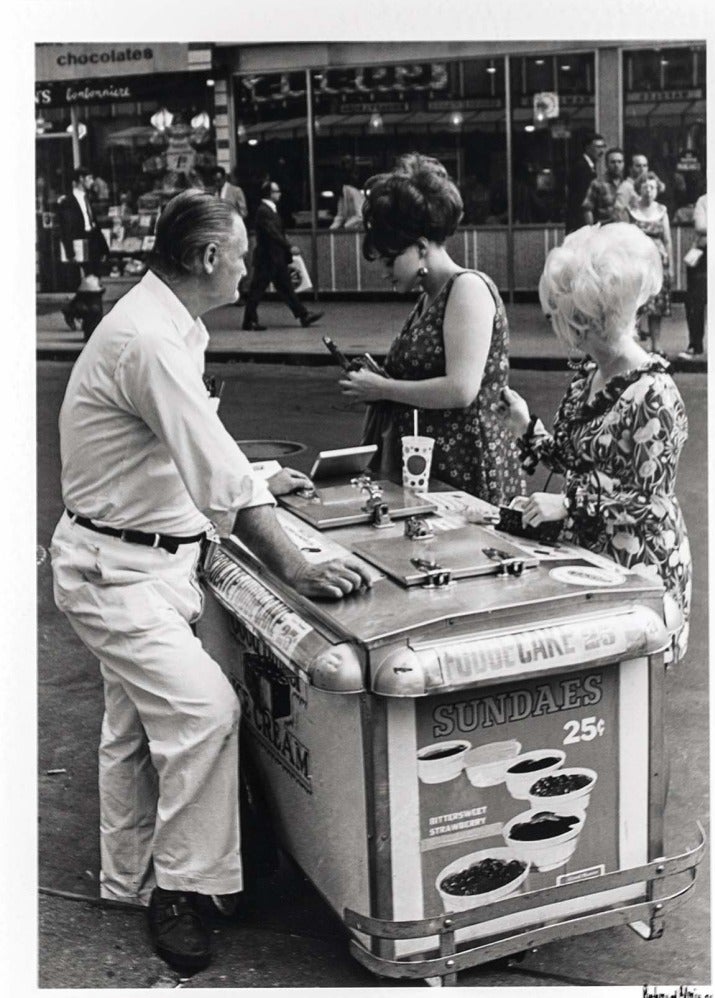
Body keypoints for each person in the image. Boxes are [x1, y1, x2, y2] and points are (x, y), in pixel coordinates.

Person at [49, 189, 371, 975]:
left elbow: (184, 451)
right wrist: (296, 562)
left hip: (147, 559)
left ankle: (129, 880)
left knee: (132, 728)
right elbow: (212, 469)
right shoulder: (151, 339)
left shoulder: (171, 324)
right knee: (204, 711)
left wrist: (260, 476)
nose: (250, 265)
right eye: (242, 253)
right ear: (206, 259)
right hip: (114, 572)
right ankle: (182, 893)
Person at [498, 223, 691, 663]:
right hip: (589, 557)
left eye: (563, 318)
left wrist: (568, 506)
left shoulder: (654, 392)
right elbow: (574, 459)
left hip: (637, 566)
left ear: (589, 321)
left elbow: (650, 502)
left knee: (629, 698)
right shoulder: (590, 374)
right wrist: (527, 426)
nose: (559, 328)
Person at [339, 153, 524, 507]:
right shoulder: (430, 297)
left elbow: (461, 389)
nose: (384, 271)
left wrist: (382, 388)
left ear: (421, 247)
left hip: (466, 467)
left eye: (391, 260)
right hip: (435, 463)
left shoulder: (467, 288)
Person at [242, 180, 323, 330]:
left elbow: (275, 232)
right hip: (268, 258)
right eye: (276, 191)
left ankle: (303, 315)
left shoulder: (268, 210)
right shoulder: (264, 211)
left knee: (285, 288)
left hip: (273, 258)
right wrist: (288, 246)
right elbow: (273, 232)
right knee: (258, 290)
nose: (279, 194)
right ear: (270, 194)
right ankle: (249, 320)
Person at [58, 166, 110, 332]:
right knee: (90, 279)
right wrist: (70, 252)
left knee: (93, 278)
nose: (92, 181)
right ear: (80, 179)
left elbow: (93, 223)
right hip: (80, 243)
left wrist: (103, 247)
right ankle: (87, 315)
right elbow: (65, 228)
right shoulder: (67, 201)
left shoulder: (88, 198)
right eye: (88, 178)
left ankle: (72, 309)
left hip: (92, 240)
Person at [627, 172, 672, 351]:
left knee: (657, 305)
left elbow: (667, 239)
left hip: (658, 263)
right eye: (645, 187)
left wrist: (670, 266)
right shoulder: (633, 211)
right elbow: (626, 238)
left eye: (652, 187)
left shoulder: (662, 210)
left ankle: (656, 345)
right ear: (639, 189)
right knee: (635, 305)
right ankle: (633, 346)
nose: (649, 191)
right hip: (638, 261)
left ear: (657, 189)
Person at [681, 191, 707, 359]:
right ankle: (695, 344)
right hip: (703, 254)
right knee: (695, 300)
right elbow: (700, 226)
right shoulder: (703, 200)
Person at [565, 133, 605, 234]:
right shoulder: (581, 167)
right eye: (598, 147)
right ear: (587, 148)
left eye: (603, 147)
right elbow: (581, 198)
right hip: (580, 222)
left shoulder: (589, 166)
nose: (602, 151)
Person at [614, 152, 666, 222]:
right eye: (638, 166)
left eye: (645, 166)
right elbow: (619, 213)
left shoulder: (649, 185)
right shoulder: (626, 187)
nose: (642, 169)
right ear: (630, 168)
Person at [582, 147, 625, 225]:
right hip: (604, 229)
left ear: (623, 164)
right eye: (613, 162)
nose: (616, 165)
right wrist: (591, 230)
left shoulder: (627, 184)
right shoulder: (597, 183)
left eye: (619, 162)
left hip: (625, 230)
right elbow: (587, 209)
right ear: (606, 164)